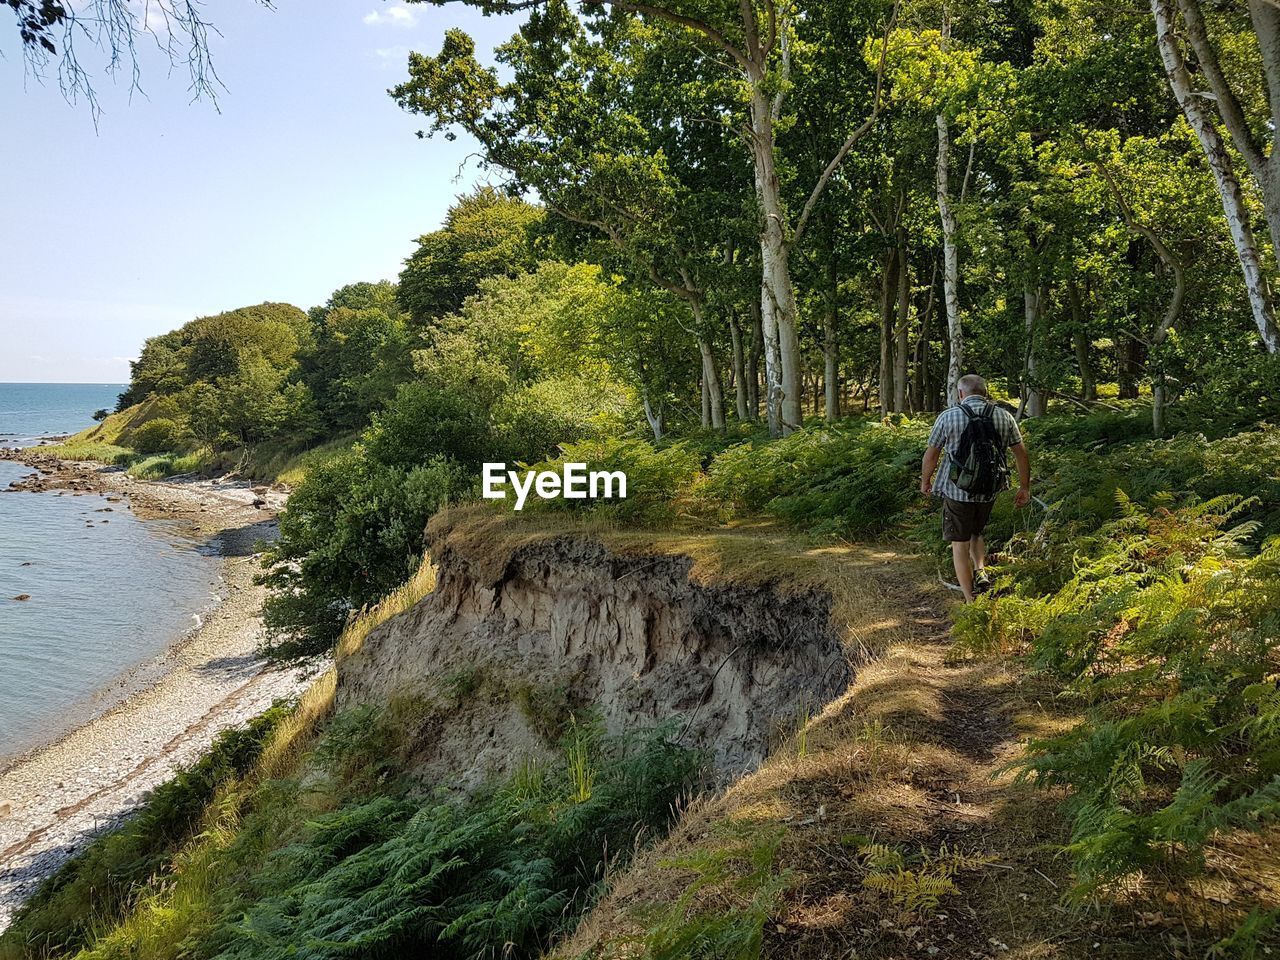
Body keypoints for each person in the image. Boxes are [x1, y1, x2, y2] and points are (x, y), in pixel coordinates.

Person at [919, 374, 1031, 602]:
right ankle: (981, 572)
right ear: (985, 392)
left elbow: (931, 455)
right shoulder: (1004, 416)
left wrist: (925, 481)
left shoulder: (948, 417)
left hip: (956, 490)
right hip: (990, 488)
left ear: (960, 394)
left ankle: (971, 599)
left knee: (958, 543)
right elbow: (1021, 454)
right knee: (976, 532)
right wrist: (1024, 487)